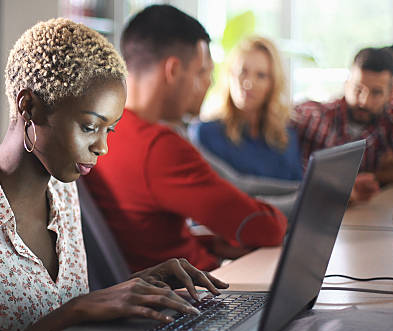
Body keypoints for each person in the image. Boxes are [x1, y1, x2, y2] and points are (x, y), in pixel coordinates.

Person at [0, 18, 229, 331]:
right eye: (89, 126)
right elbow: (66, 315)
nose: (102, 147)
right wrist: (71, 315)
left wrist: (135, 287)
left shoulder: (64, 188)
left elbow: (63, 312)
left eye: (108, 130)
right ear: (29, 106)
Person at [83, 5, 287, 273]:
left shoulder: (102, 133)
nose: (207, 85)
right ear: (173, 70)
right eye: (201, 72)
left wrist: (211, 242)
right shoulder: (158, 146)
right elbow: (262, 226)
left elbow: (151, 232)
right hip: (196, 295)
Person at [293, 47, 393, 202]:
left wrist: (373, 176)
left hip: (359, 214)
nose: (364, 101)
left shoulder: (392, 111)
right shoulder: (314, 117)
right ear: (346, 85)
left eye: (377, 92)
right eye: (358, 89)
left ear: (390, 94)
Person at [188, 36, 302, 216]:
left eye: (261, 75)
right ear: (229, 75)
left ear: (273, 84)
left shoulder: (285, 135)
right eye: (243, 72)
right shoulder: (205, 133)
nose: (248, 83)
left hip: (282, 230)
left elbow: (300, 192)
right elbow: (229, 199)